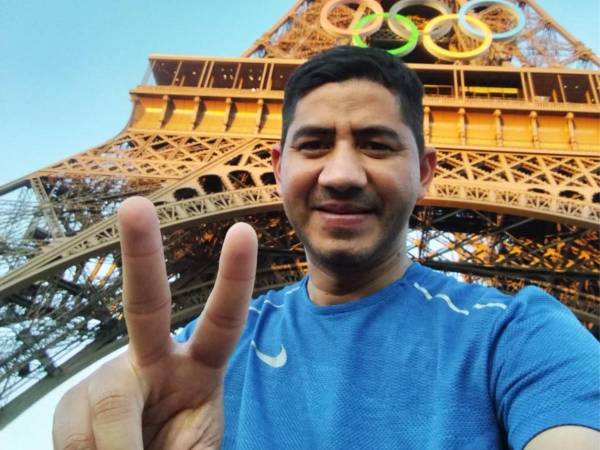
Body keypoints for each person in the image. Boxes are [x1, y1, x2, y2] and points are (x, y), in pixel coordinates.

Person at [52, 46, 599, 449]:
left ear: (425, 171)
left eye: (376, 145)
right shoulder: (200, 358)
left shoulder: (520, 333)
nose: (340, 174)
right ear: (276, 166)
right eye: (313, 145)